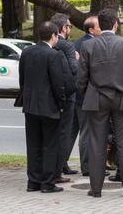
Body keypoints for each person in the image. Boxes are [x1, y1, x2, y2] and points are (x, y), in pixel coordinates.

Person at [77, 9, 123, 198]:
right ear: (115, 24)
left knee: (97, 143)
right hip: (122, 97)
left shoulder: (88, 47)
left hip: (96, 98)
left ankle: (96, 189)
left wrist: (84, 93)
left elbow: (81, 78)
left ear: (100, 25)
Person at [19, 21, 66, 193]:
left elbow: (22, 80)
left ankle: (33, 181)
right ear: (54, 36)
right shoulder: (53, 55)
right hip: (49, 106)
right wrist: (61, 103)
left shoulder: (26, 52)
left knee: (33, 144)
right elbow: (58, 83)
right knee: (50, 144)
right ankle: (47, 183)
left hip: (30, 105)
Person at [50, 13, 78, 182]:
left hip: (51, 95)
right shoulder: (67, 46)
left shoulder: (47, 44)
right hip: (67, 95)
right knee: (64, 132)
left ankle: (60, 165)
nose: (70, 29)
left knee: (54, 132)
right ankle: (59, 167)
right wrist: (77, 59)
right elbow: (73, 70)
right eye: (69, 26)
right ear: (63, 28)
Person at [72, 16, 101, 177]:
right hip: (86, 95)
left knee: (84, 131)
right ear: (91, 29)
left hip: (81, 95)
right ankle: (87, 166)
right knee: (87, 131)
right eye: (98, 26)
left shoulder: (78, 43)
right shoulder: (87, 45)